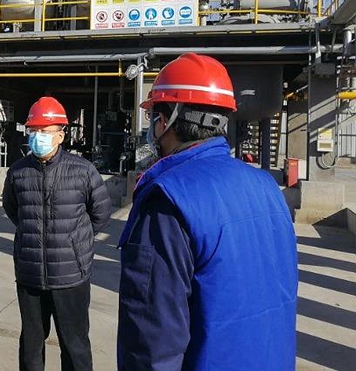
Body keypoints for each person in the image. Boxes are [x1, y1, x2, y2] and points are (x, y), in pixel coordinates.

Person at [117, 53, 297, 370]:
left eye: (154, 116)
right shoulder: (267, 186)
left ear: (167, 120)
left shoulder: (167, 200)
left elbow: (152, 341)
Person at [2, 96, 112, 371]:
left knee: (74, 345)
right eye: (33, 131)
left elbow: (100, 214)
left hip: (70, 276)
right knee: (31, 344)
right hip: (30, 274)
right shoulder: (18, 172)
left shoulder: (83, 171)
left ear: (61, 135)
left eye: (44, 131)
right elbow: (13, 210)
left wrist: (74, 243)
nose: (37, 137)